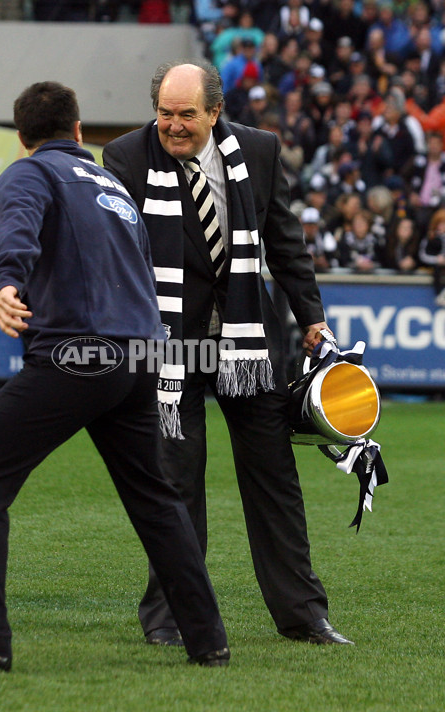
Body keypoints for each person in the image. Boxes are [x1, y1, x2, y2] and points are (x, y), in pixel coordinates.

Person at [0, 81, 230, 671]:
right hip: (139, 357)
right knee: (156, 499)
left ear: (23, 138)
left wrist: (5, 283)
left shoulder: (29, 173)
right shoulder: (111, 185)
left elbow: (19, 231)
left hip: (79, 356)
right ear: (79, 131)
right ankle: (208, 640)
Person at [103, 60, 353, 648]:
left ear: (216, 112)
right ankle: (169, 617)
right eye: (164, 113)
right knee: (174, 485)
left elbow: (285, 241)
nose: (173, 125)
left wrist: (311, 316)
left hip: (249, 342)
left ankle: (304, 616)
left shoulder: (260, 151)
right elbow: (114, 253)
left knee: (274, 480)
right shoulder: (124, 157)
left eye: (186, 114)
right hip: (166, 347)